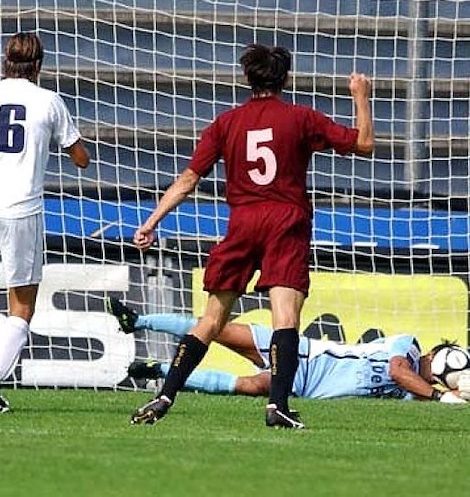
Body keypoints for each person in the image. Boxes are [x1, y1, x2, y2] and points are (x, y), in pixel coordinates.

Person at [132, 43, 374, 428]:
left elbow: (189, 180)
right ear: (285, 78)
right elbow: (363, 143)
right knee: (285, 318)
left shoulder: (226, 122)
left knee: (211, 319)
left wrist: (152, 221)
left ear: (248, 78)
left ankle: (164, 395)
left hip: (242, 223)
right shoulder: (301, 117)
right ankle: (277, 405)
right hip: (285, 222)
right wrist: (360, 96)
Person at [0, 32, 90, 412]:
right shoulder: (49, 101)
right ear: (38, 65)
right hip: (20, 208)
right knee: (21, 303)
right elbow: (80, 158)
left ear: (4, 60)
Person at [107, 298, 467, 404]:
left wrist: (446, 399)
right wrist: (440, 398)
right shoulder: (407, 345)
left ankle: (158, 372)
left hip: (306, 388)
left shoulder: (411, 398)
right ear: (434, 357)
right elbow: (397, 371)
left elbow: (412, 390)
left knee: (244, 385)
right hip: (304, 354)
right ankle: (138, 320)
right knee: (214, 329)